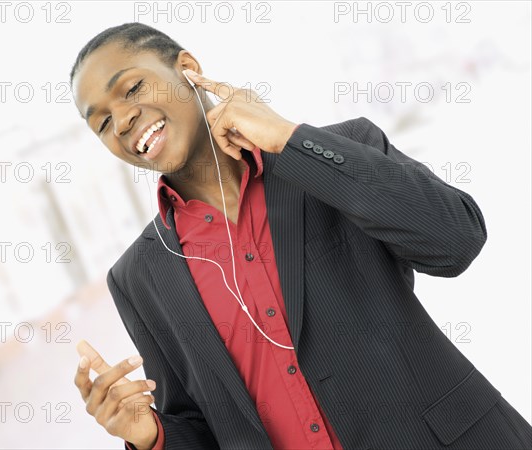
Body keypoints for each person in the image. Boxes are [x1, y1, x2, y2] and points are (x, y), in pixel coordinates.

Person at [70, 23, 532, 450]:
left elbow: (455, 241)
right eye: (103, 123)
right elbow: (205, 429)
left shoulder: (336, 152)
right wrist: (150, 435)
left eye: (132, 88)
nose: (123, 120)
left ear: (188, 69)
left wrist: (287, 140)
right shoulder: (138, 278)